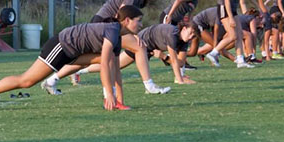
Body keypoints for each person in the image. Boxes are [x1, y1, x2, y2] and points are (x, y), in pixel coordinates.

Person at [0, 5, 144, 111]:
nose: (141, 25)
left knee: (111, 63)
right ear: (127, 20)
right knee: (27, 81)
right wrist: (108, 93)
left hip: (73, 51)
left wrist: (119, 100)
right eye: (139, 21)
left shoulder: (117, 37)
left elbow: (114, 69)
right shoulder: (112, 31)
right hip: (61, 46)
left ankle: (114, 101)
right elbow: (106, 66)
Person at [66, 21, 198, 89]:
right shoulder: (173, 34)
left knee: (116, 66)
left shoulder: (184, 41)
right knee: (113, 63)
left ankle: (80, 71)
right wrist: (180, 80)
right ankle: (78, 70)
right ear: (184, 28)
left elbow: (180, 63)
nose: (191, 37)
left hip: (150, 47)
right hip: (142, 41)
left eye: (194, 36)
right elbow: (175, 62)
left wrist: (163, 57)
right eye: (190, 32)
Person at [206, 0, 261, 68]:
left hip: (233, 8)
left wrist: (258, 5)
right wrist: (230, 17)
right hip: (224, 8)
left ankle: (240, 61)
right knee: (233, 35)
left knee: (239, 34)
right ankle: (213, 53)